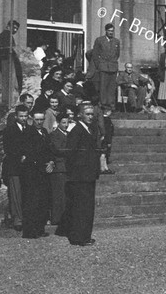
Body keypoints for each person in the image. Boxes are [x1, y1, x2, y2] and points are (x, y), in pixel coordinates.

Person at [56, 104, 103, 246]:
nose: (90, 116)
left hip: (88, 175)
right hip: (80, 176)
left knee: (86, 207)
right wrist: (75, 172)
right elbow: (71, 154)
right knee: (81, 208)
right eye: (87, 114)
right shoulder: (77, 130)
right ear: (80, 115)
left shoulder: (90, 129)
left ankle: (84, 235)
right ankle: (79, 237)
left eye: (92, 114)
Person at [21, 111, 54, 239]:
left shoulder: (45, 132)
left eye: (41, 119)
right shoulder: (29, 133)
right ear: (32, 120)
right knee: (32, 202)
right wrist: (44, 163)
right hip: (33, 172)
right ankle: (30, 231)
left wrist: (51, 161)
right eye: (37, 120)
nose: (39, 122)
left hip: (43, 172)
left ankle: (40, 228)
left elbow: (49, 149)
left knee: (42, 201)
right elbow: (31, 153)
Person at [2, 104, 30, 231]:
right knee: (16, 194)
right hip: (14, 166)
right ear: (16, 116)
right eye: (21, 116)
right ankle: (17, 220)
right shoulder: (10, 130)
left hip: (27, 167)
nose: (23, 118)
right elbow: (8, 149)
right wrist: (21, 155)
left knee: (25, 193)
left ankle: (25, 218)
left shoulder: (29, 129)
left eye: (25, 116)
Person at [92, 23, 120, 110]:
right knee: (103, 87)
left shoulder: (116, 41)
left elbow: (117, 54)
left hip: (113, 67)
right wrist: (99, 65)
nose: (111, 32)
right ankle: (103, 104)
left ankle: (111, 105)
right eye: (109, 31)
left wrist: (113, 63)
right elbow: (95, 54)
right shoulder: (99, 40)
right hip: (103, 67)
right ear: (106, 31)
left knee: (111, 88)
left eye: (112, 31)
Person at [0, 20, 22, 103]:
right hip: (5, 61)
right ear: (8, 26)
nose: (15, 30)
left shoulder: (5, 35)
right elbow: (10, 49)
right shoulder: (7, 35)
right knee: (7, 81)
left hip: (3, 60)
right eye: (14, 28)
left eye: (17, 29)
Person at [49, 113, 69, 224]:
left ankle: (65, 218)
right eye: (63, 123)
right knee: (58, 195)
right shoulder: (54, 135)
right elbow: (57, 150)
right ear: (58, 123)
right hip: (59, 167)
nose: (66, 125)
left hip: (67, 167)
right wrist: (71, 150)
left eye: (67, 123)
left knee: (65, 195)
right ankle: (57, 219)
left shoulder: (69, 134)